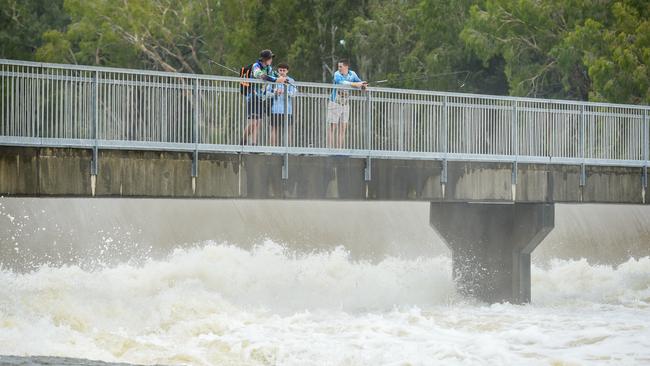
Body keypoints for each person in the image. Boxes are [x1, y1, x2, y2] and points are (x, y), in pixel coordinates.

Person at [242, 49, 287, 145]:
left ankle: (254, 145)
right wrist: (276, 80)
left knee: (258, 123)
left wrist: (282, 78)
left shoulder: (269, 68)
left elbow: (274, 75)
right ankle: (243, 140)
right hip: (253, 97)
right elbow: (262, 76)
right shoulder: (256, 66)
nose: (271, 60)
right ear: (265, 59)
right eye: (270, 58)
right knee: (253, 122)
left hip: (262, 98)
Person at [326, 59, 367, 148]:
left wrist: (363, 85)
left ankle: (339, 150)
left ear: (346, 67)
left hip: (345, 104)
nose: (339, 68)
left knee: (342, 129)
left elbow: (359, 83)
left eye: (341, 67)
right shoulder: (337, 74)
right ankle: (329, 150)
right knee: (332, 128)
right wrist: (356, 84)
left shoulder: (353, 74)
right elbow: (343, 83)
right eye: (338, 67)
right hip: (335, 103)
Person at [266, 63, 297, 146]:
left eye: (284, 70)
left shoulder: (291, 80)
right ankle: (273, 150)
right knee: (274, 129)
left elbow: (294, 94)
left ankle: (288, 149)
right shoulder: (273, 80)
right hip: (275, 110)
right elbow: (267, 93)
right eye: (280, 70)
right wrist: (275, 92)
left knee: (288, 130)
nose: (282, 72)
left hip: (287, 110)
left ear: (287, 71)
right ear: (278, 71)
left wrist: (285, 92)